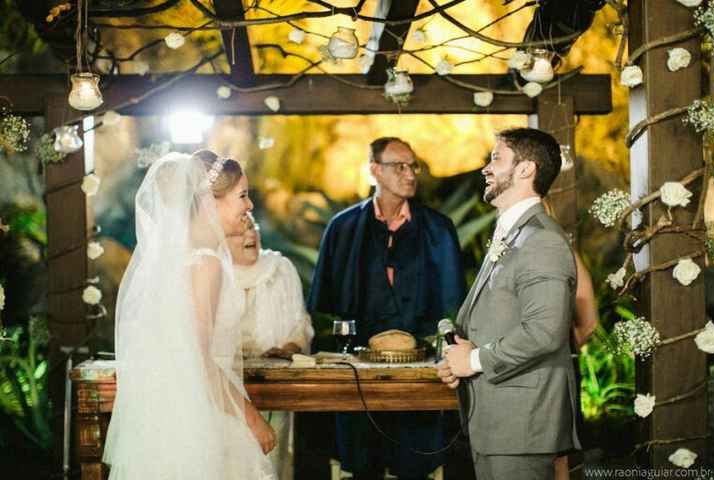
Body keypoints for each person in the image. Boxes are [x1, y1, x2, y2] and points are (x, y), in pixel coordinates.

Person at [103, 150, 277, 479]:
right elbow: (199, 358)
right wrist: (253, 419)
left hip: (170, 415)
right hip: (196, 418)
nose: (249, 206)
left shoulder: (178, 257)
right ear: (211, 202)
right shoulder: (204, 262)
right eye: (242, 196)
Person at [308, 137, 466, 480]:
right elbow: (325, 305)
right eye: (399, 166)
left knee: (416, 464)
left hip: (420, 371)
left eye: (413, 166)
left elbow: (454, 303)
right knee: (362, 463)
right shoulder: (343, 227)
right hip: (361, 373)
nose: (409, 174)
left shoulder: (438, 228)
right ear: (374, 170)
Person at [438, 127, 581, 480]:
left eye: (496, 158)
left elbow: (545, 332)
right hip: (498, 421)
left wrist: (472, 360)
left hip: (523, 424)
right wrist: (457, 357)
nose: (486, 169)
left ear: (525, 169)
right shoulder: (513, 234)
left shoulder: (541, 241)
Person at [228, 216, 315, 480]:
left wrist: (289, 347)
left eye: (253, 227)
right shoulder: (214, 272)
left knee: (272, 463)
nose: (250, 235)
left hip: (275, 386)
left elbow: (302, 323)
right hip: (230, 389)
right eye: (240, 231)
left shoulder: (280, 267)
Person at [542, 201, 599, 480]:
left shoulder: (564, 253)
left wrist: (561, 347)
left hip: (554, 369)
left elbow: (588, 322)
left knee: (556, 455)